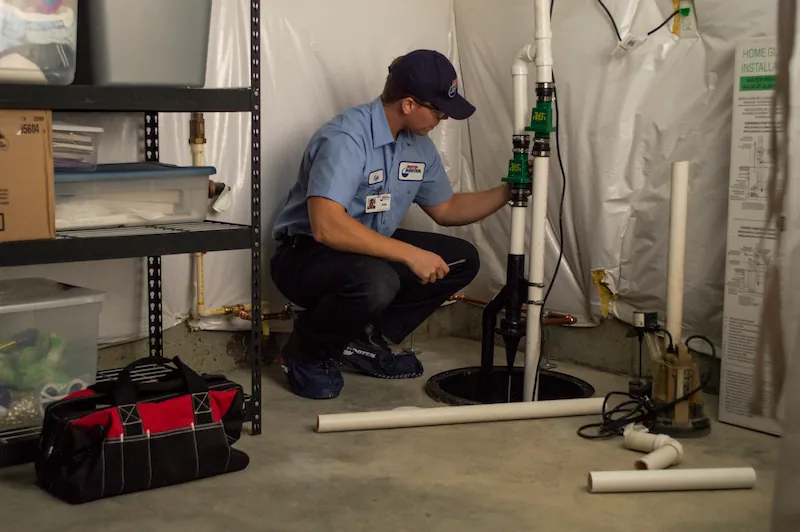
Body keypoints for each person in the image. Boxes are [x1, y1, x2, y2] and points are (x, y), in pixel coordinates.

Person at [270, 49, 511, 399]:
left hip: (364, 248)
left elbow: (447, 208)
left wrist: (508, 191)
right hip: (305, 255)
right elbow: (327, 226)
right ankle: (305, 353)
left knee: (461, 259)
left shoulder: (419, 147)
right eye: (438, 110)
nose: (443, 119)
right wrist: (409, 254)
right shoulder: (346, 139)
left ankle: (356, 337)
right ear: (409, 104)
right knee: (377, 280)